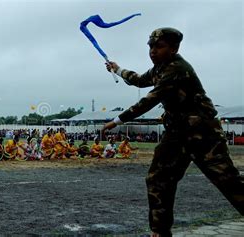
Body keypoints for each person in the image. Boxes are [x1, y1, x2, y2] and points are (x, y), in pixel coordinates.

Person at [103, 27, 243, 236]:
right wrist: (117, 69)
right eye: (150, 46)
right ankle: (159, 231)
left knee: (228, 181)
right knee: (158, 178)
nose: (152, 51)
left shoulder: (177, 68)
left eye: (159, 47)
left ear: (174, 48)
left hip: (203, 134)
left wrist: (117, 120)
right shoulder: (160, 67)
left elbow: (150, 99)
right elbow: (140, 79)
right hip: (176, 134)